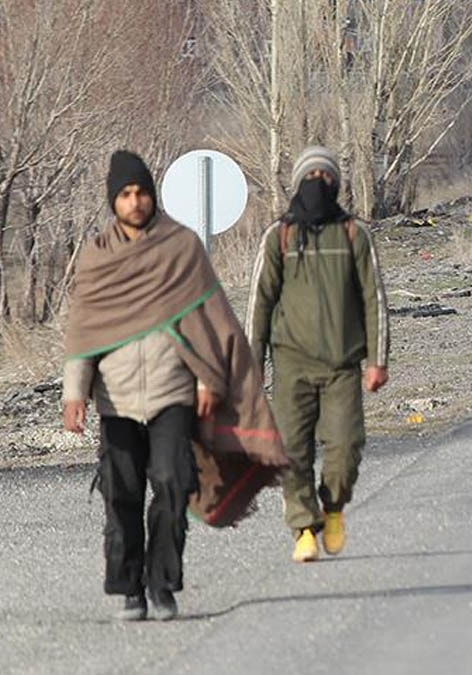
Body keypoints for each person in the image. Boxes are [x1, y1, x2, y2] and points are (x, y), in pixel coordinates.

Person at [63, 150, 288, 621]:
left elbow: (210, 321)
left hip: (172, 394)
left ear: (152, 195)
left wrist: (208, 379)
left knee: (171, 483)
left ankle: (162, 585)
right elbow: (83, 330)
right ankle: (130, 588)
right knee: (120, 493)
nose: (135, 201)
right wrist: (74, 393)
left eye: (141, 192)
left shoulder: (181, 247)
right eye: (125, 194)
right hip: (117, 399)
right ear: (114, 201)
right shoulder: (97, 257)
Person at [248, 146, 391, 563]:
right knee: (291, 452)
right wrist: (251, 370)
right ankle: (303, 528)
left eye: (325, 178)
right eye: (310, 177)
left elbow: (374, 298)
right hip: (291, 364)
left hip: (343, 365)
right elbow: (259, 304)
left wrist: (377, 360)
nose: (318, 184)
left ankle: (333, 508)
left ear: (337, 184)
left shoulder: (353, 233)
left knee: (345, 449)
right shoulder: (280, 235)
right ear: (297, 184)